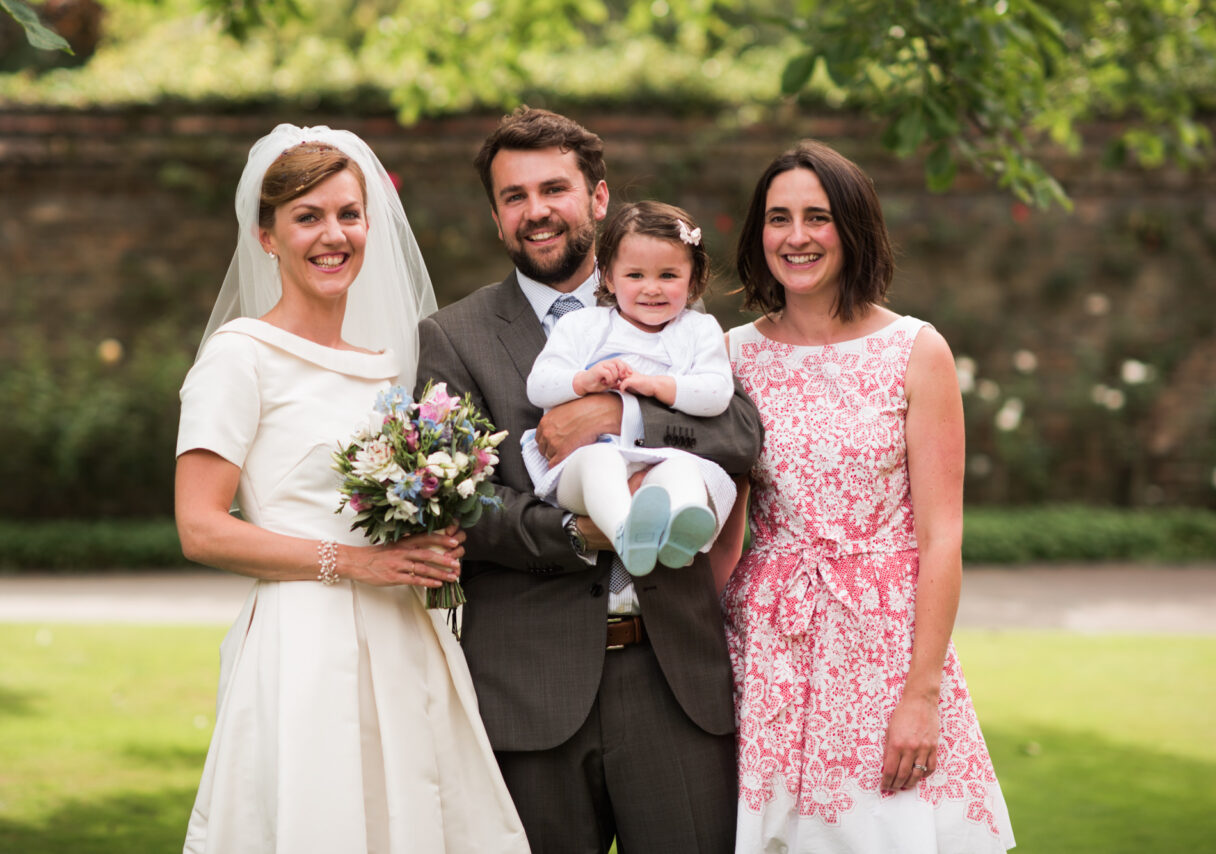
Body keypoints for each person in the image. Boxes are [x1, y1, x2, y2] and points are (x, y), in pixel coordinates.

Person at [174, 124, 529, 854]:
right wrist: (355, 564)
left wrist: (438, 527)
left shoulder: (390, 365)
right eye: (307, 216)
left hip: (408, 636)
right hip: (306, 644)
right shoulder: (240, 358)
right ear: (266, 237)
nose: (332, 235)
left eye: (348, 214)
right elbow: (200, 528)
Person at [416, 107, 762, 853]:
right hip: (528, 691)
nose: (536, 211)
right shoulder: (453, 338)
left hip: (673, 681)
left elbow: (738, 435)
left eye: (554, 189)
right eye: (514, 196)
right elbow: (462, 504)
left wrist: (620, 414)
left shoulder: (677, 309)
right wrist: (578, 529)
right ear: (497, 214)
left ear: (598, 200)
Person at [714, 140, 1016, 852]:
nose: (796, 237)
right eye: (778, 217)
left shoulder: (916, 349)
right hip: (766, 646)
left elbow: (943, 536)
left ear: (852, 228)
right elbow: (726, 530)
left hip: (882, 647)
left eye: (817, 217)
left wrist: (923, 692)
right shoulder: (730, 355)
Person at [522, 200, 737, 575]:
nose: (651, 289)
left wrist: (657, 385)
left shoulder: (698, 330)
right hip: (584, 464)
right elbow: (538, 386)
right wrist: (584, 380)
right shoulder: (583, 326)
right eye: (635, 275)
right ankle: (625, 532)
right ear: (608, 277)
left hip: (661, 457)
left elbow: (717, 392)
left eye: (668, 275)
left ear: (693, 277)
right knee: (601, 462)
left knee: (685, 470)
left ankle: (678, 531)